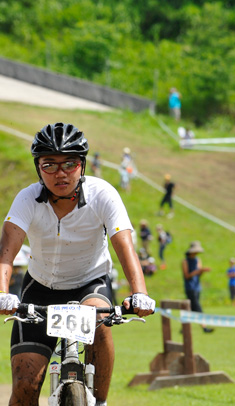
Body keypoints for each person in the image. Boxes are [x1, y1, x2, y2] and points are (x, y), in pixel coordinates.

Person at [0, 122, 155, 406]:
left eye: (69, 163)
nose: (60, 173)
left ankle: (100, 402)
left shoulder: (103, 194)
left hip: (89, 283)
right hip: (40, 289)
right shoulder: (26, 199)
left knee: (98, 318)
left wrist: (140, 293)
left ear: (82, 165)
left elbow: (124, 245)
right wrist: (2, 292)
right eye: (50, 165)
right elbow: (6, 252)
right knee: (24, 389)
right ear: (38, 168)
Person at [181, 241, 213, 333]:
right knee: (197, 307)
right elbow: (187, 276)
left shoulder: (198, 260)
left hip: (197, 287)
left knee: (190, 308)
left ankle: (183, 328)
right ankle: (204, 327)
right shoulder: (185, 261)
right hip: (190, 287)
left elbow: (198, 275)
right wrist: (198, 271)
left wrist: (202, 271)